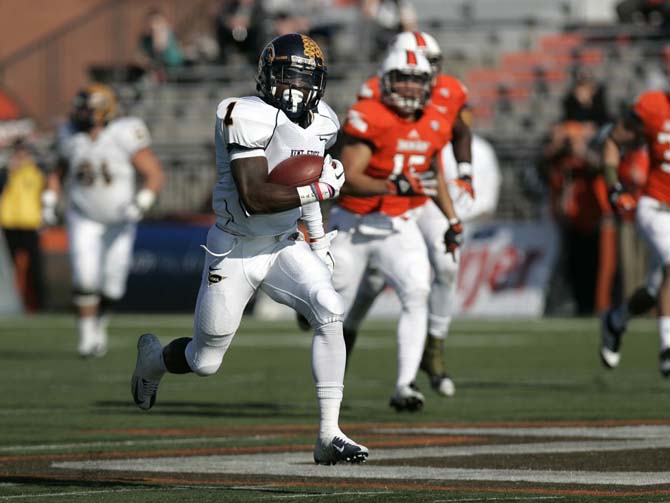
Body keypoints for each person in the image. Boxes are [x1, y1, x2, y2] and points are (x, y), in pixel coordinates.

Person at [130, 33, 368, 466]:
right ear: (265, 77)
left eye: (304, 77)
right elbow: (254, 197)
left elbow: (309, 194)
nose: (295, 87)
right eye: (286, 75)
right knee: (204, 361)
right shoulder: (243, 114)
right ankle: (153, 360)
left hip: (282, 245)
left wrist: (317, 240)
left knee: (330, 310)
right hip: (235, 248)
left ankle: (328, 434)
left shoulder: (325, 122)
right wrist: (319, 188)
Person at [326, 46, 462, 412]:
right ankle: (328, 393)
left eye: (417, 80)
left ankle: (405, 385)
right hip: (353, 225)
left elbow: (433, 174)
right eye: (402, 78)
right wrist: (391, 185)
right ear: (386, 81)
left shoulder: (434, 120)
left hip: (397, 225)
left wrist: (451, 220)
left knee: (417, 291)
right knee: (331, 309)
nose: (409, 88)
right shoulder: (369, 115)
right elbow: (347, 178)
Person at [43, 83, 165, 357]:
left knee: (112, 285)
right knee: (85, 278)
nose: (81, 113)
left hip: (120, 221)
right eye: (80, 107)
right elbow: (57, 172)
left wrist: (141, 201)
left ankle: (99, 323)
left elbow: (154, 173)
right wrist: (49, 200)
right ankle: (87, 338)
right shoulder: (68, 134)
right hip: (83, 216)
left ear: (105, 110)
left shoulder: (123, 133)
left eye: (88, 108)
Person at [599, 88, 670, 376]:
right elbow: (614, 141)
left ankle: (616, 320)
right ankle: (667, 348)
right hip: (656, 208)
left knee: (655, 291)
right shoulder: (653, 106)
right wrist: (614, 187)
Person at [0, 138, 46, 310]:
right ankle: (11, 304)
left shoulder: (36, 171)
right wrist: (9, 172)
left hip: (30, 225)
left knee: (35, 268)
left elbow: (46, 191)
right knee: (8, 270)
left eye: (23, 152)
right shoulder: (6, 172)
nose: (20, 156)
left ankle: (40, 305)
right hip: (9, 225)